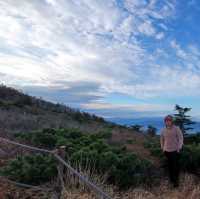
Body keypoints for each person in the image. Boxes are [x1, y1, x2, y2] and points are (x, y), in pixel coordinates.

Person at [160, 115, 184, 187]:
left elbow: (181, 138)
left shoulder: (176, 128)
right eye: (166, 121)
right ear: (165, 122)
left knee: (175, 167)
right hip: (166, 151)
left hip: (175, 151)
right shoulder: (163, 130)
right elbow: (161, 138)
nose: (168, 122)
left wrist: (179, 147)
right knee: (170, 166)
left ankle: (176, 183)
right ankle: (171, 180)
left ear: (171, 121)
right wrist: (162, 147)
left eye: (169, 120)